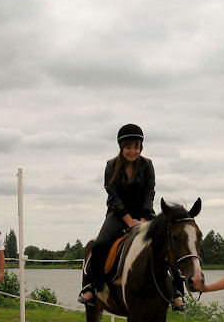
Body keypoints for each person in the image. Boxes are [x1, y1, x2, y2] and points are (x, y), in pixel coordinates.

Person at [77, 124, 185, 311]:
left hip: (144, 214)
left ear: (141, 147)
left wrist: (143, 219)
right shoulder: (111, 166)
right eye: (128, 147)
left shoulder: (148, 165)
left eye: (136, 147)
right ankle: (91, 286)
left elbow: (149, 193)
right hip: (118, 214)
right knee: (101, 244)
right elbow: (113, 196)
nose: (133, 151)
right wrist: (128, 220)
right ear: (121, 147)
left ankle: (177, 291)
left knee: (166, 242)